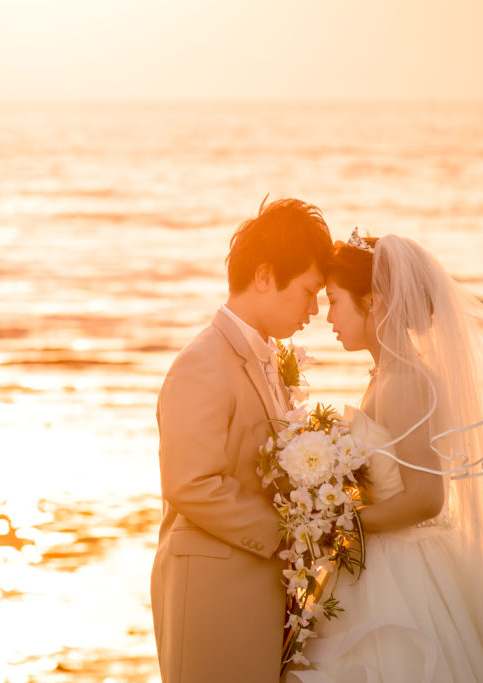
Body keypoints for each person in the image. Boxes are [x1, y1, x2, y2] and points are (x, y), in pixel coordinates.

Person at [285, 229, 483, 682]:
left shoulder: (404, 380)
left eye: (336, 300)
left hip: (403, 566)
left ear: (375, 300)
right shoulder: (386, 373)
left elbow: (426, 498)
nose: (328, 316)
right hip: (386, 553)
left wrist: (342, 523)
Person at [151, 198, 332, 682]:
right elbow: (191, 483)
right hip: (212, 597)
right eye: (309, 291)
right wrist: (290, 535)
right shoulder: (203, 364)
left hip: (258, 595)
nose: (315, 309)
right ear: (265, 276)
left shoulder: (266, 359)